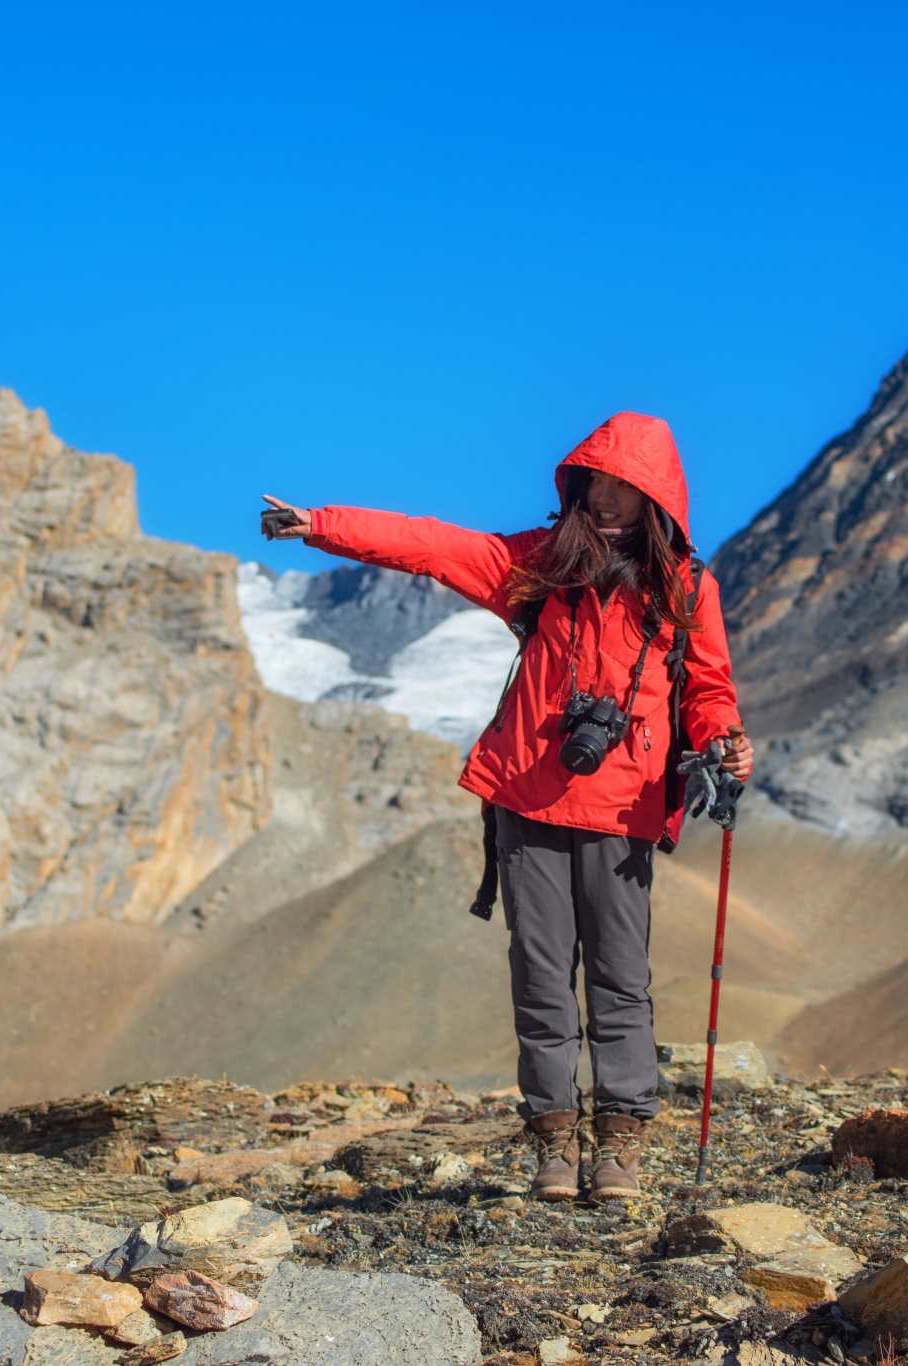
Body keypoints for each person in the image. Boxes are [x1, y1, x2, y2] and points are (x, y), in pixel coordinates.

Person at [262, 411, 751, 1202]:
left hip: (623, 810)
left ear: (655, 498)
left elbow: (709, 691)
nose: (604, 498)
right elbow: (432, 545)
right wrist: (321, 524)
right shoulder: (541, 564)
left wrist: (724, 739)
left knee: (622, 980)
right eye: (594, 480)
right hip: (527, 800)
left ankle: (619, 1147)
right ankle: (554, 1146)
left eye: (623, 487)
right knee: (540, 977)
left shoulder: (688, 590)